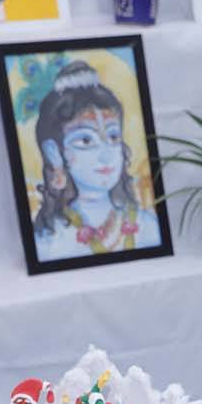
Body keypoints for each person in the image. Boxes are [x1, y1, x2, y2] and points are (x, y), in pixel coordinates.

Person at [30, 59, 161, 261]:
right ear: (54, 153)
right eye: (85, 140)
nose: (106, 154)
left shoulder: (148, 227)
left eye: (113, 137)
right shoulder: (49, 241)